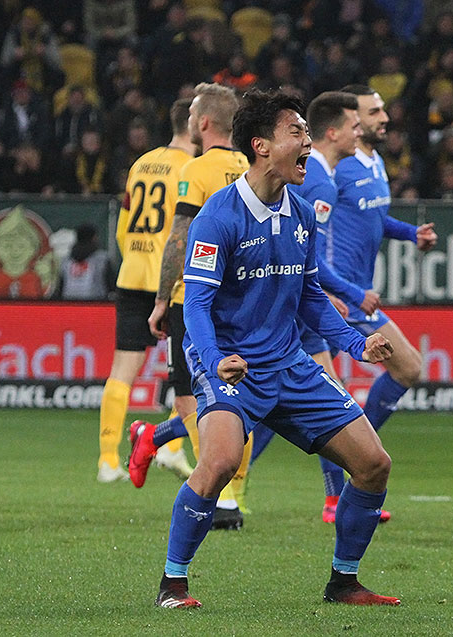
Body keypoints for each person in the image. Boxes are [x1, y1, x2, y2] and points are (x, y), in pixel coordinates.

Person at [153, 89, 398, 608]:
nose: (308, 143)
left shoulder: (302, 214)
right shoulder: (218, 217)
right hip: (230, 365)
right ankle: (173, 584)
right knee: (220, 462)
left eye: (307, 132)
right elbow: (195, 305)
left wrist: (356, 344)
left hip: (289, 363)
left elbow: (310, 297)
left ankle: (344, 582)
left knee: (374, 463)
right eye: (297, 132)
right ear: (261, 146)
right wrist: (214, 359)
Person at [245, 90, 392, 524]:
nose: (359, 132)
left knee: (284, 404)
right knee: (302, 402)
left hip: (303, 300)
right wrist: (346, 292)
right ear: (333, 132)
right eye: (354, 125)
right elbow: (311, 257)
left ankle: (331, 497)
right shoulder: (320, 184)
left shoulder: (312, 180)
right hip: (302, 306)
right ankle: (195, 459)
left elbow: (304, 255)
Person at [130, 83, 251, 530]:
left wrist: (162, 299)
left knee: (192, 397)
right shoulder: (253, 168)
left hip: (194, 299)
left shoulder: (195, 170)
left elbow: (179, 237)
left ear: (202, 123)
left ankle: (164, 445)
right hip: (242, 300)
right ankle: (225, 496)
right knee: (240, 394)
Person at [327, 84, 437, 464]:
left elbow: (371, 216)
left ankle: (360, 452)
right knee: (313, 397)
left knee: (408, 367)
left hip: (359, 295)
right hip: (334, 295)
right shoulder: (335, 167)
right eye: (374, 111)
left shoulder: (373, 161)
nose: (385, 117)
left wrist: (411, 233)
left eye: (382, 110)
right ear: (352, 120)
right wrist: (333, 288)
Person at [95, 98, 196, 483]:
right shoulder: (191, 169)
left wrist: (135, 258)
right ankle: (171, 446)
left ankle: (108, 461)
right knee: (193, 372)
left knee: (122, 371)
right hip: (171, 283)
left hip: (132, 275)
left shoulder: (142, 163)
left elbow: (123, 228)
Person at [58, 223, 114, 301]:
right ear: (94, 238)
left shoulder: (66, 260)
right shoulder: (102, 259)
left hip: (69, 303)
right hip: (96, 303)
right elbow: (110, 284)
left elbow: (61, 287)